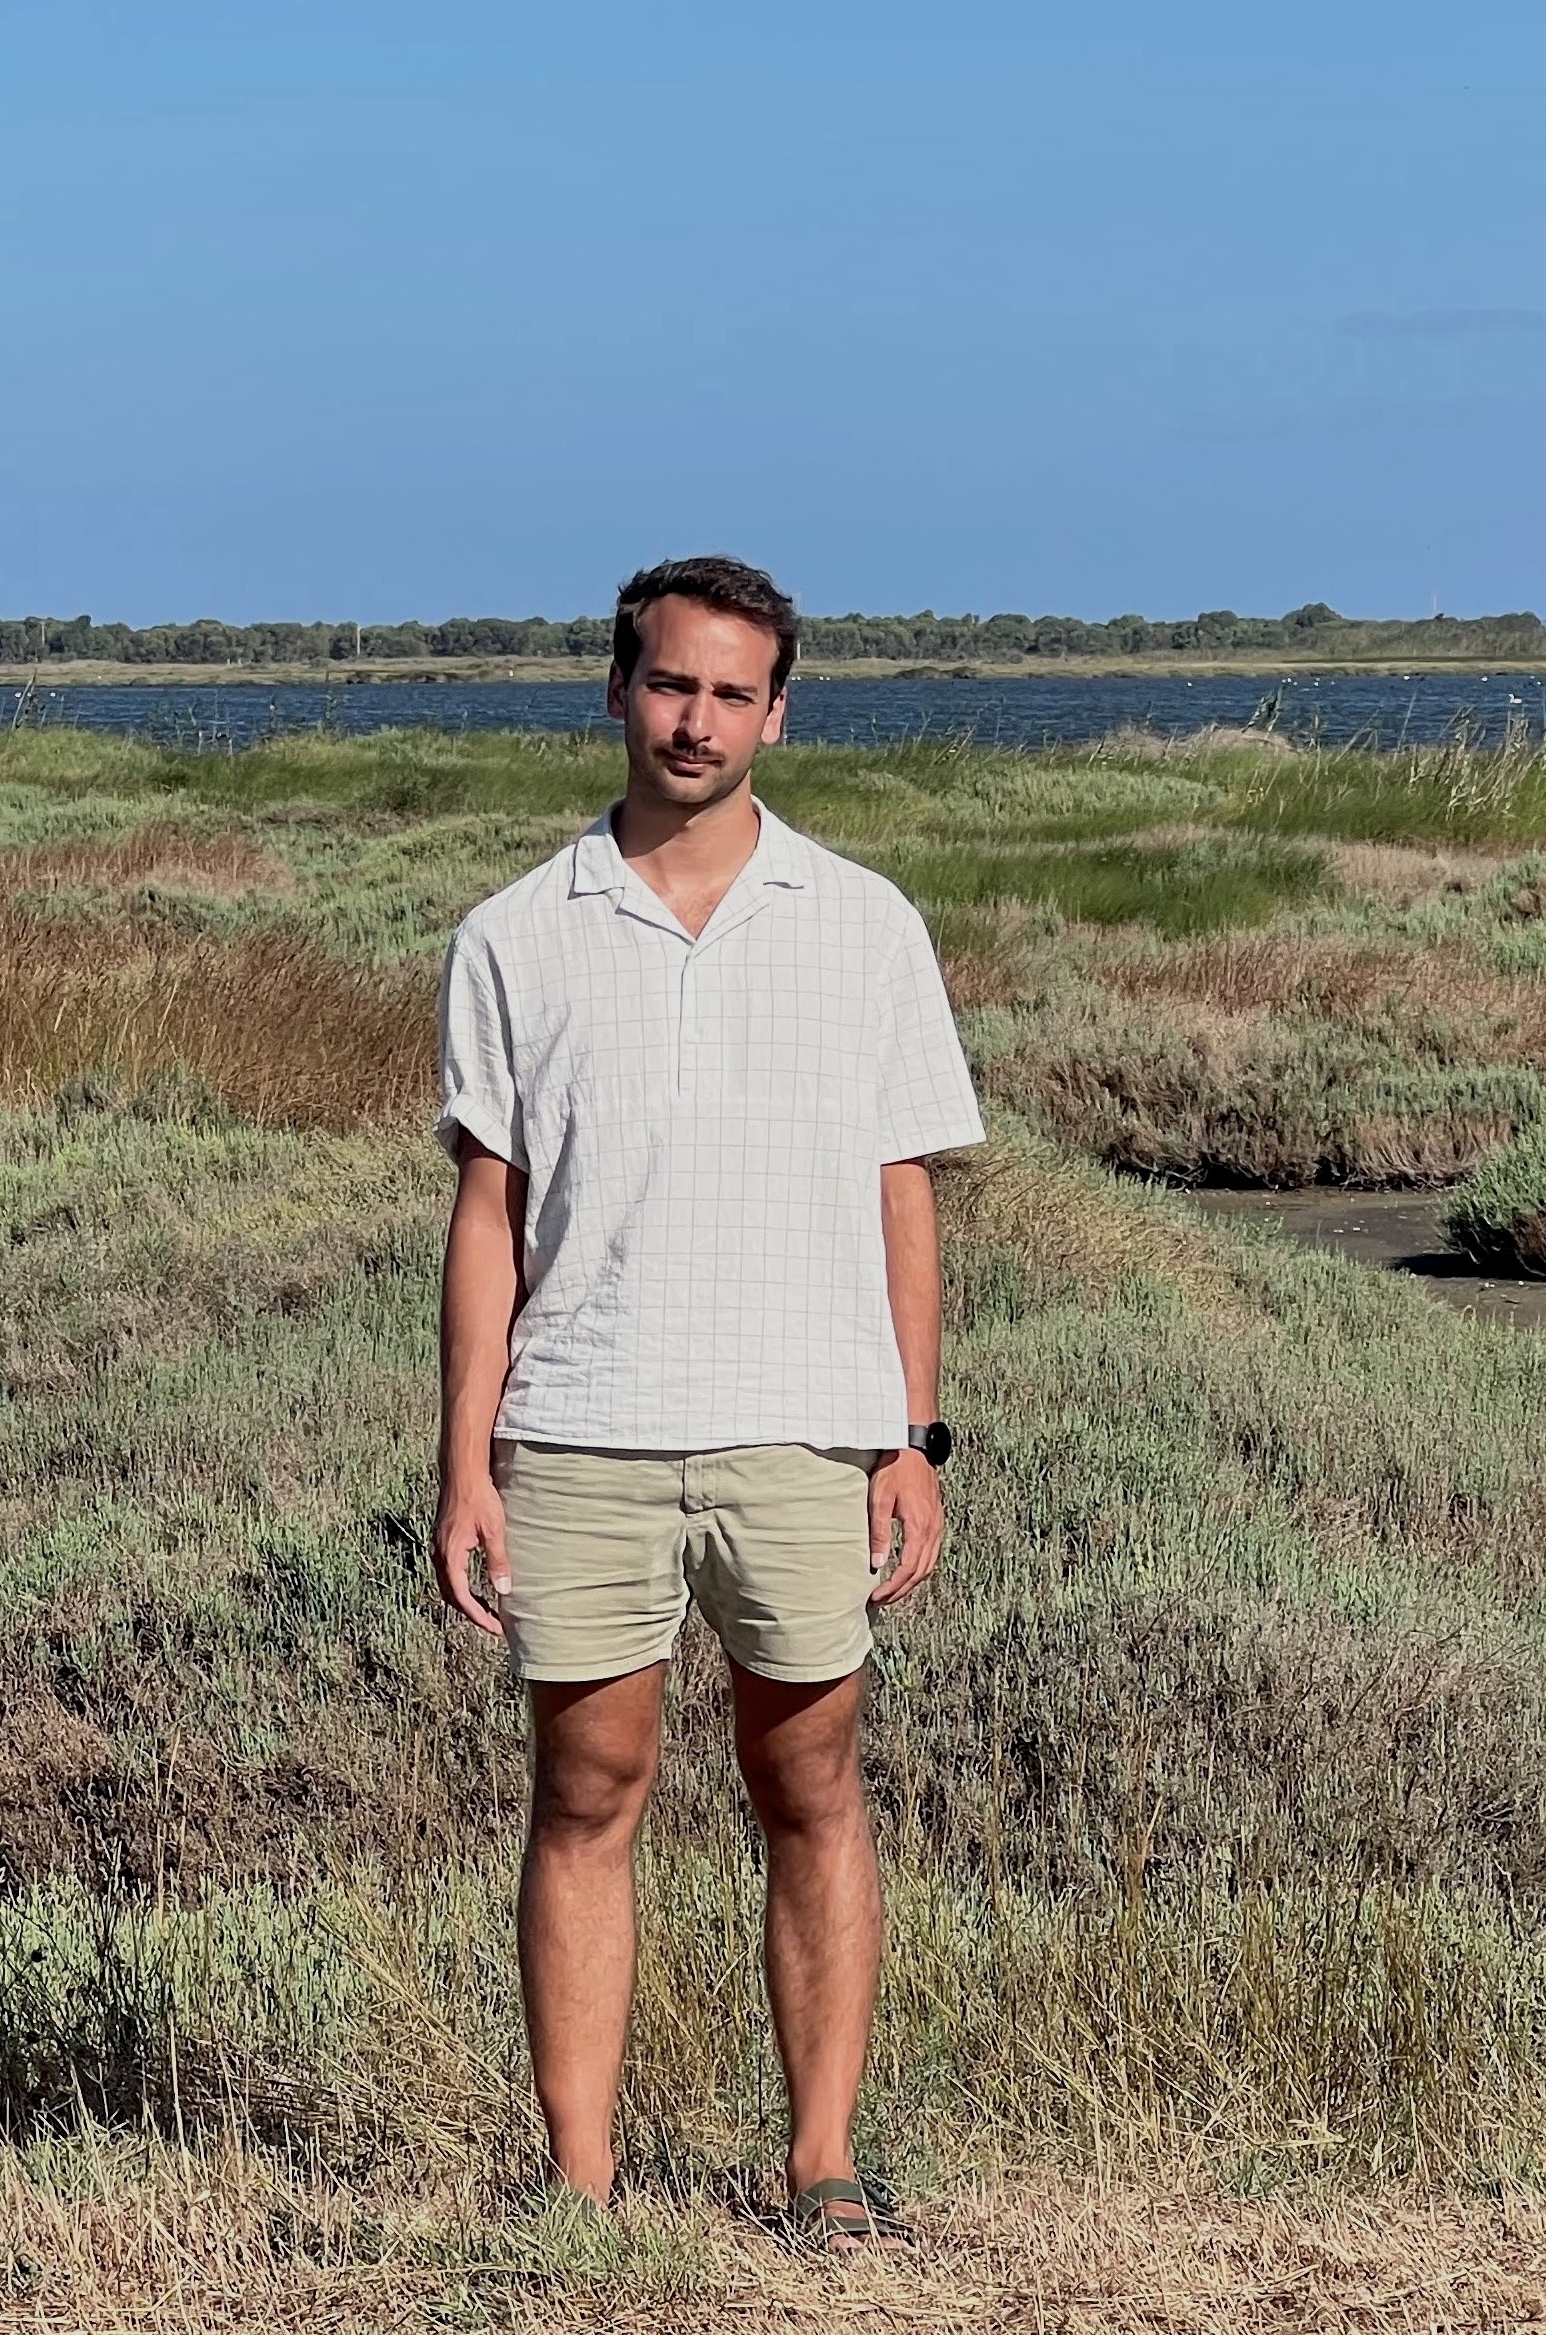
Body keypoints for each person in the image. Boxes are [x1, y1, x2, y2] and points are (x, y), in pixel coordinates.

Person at [430, 554, 982, 2257]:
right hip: (583, 1422)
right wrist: (467, 1461)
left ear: (775, 713)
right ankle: (577, 2187)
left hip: (807, 1429)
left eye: (731, 694)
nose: (695, 720)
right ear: (616, 691)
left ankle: (821, 2165)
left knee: (808, 1786)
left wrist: (911, 1435)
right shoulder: (517, 933)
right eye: (670, 685)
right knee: (585, 1793)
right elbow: (486, 1217)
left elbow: (904, 1192)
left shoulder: (863, 919)